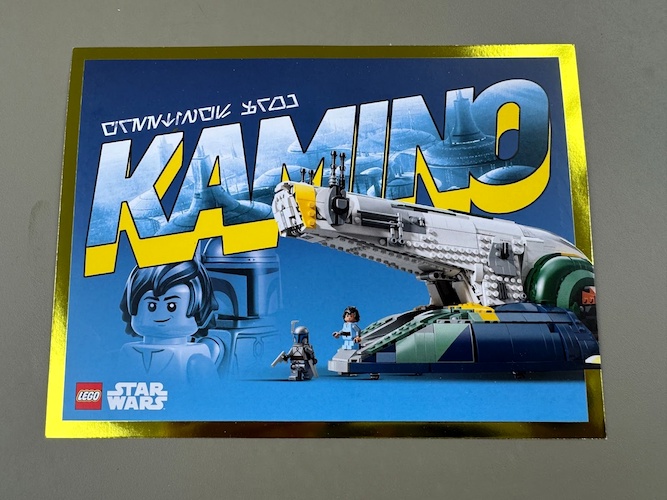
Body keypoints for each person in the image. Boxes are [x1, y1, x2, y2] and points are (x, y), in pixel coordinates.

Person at [118, 259, 220, 383]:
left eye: (172, 306)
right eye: (152, 306)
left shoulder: (196, 359)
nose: (160, 315)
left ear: (199, 308)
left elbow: (211, 393)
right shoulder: (128, 352)